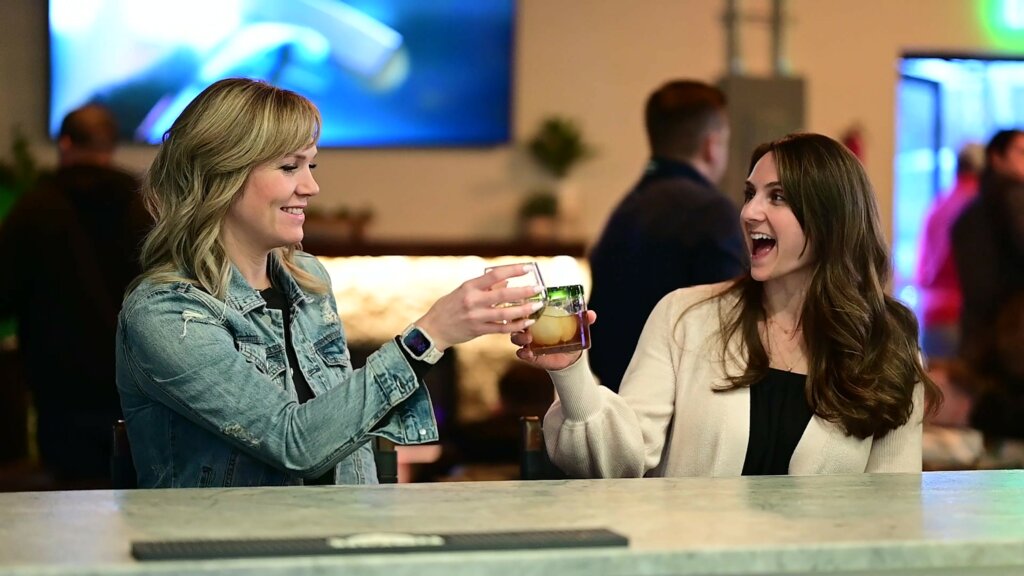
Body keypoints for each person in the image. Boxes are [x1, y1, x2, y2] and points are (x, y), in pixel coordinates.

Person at [115, 78, 541, 488]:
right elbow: (292, 442)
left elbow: (343, 436)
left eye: (310, 165)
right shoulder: (166, 313)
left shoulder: (308, 280)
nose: (311, 186)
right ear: (218, 176)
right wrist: (429, 336)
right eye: (289, 167)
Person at [513, 133, 939, 477]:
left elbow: (892, 510)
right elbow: (619, 463)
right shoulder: (684, 315)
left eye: (777, 197)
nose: (749, 212)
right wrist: (571, 373)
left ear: (832, 220)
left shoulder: (887, 344)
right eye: (750, 193)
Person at [0, 104, 150, 487]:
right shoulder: (140, 206)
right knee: (137, 492)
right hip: (138, 378)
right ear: (111, 145)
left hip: (60, 386)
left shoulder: (34, 207)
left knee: (72, 497)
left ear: (64, 143)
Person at [586, 80, 746, 392]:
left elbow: (600, 339)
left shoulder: (624, 213)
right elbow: (731, 333)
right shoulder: (713, 212)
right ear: (712, 146)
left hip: (621, 402)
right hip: (684, 412)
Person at [952, 129, 1024, 375]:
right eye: (1021, 153)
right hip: (1011, 337)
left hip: (979, 338)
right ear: (996, 157)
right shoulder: (1014, 197)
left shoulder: (971, 211)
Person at [915, 143, 984, 360]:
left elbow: (922, 269)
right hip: (963, 317)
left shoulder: (938, 205)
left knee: (936, 391)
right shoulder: (979, 206)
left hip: (931, 316)